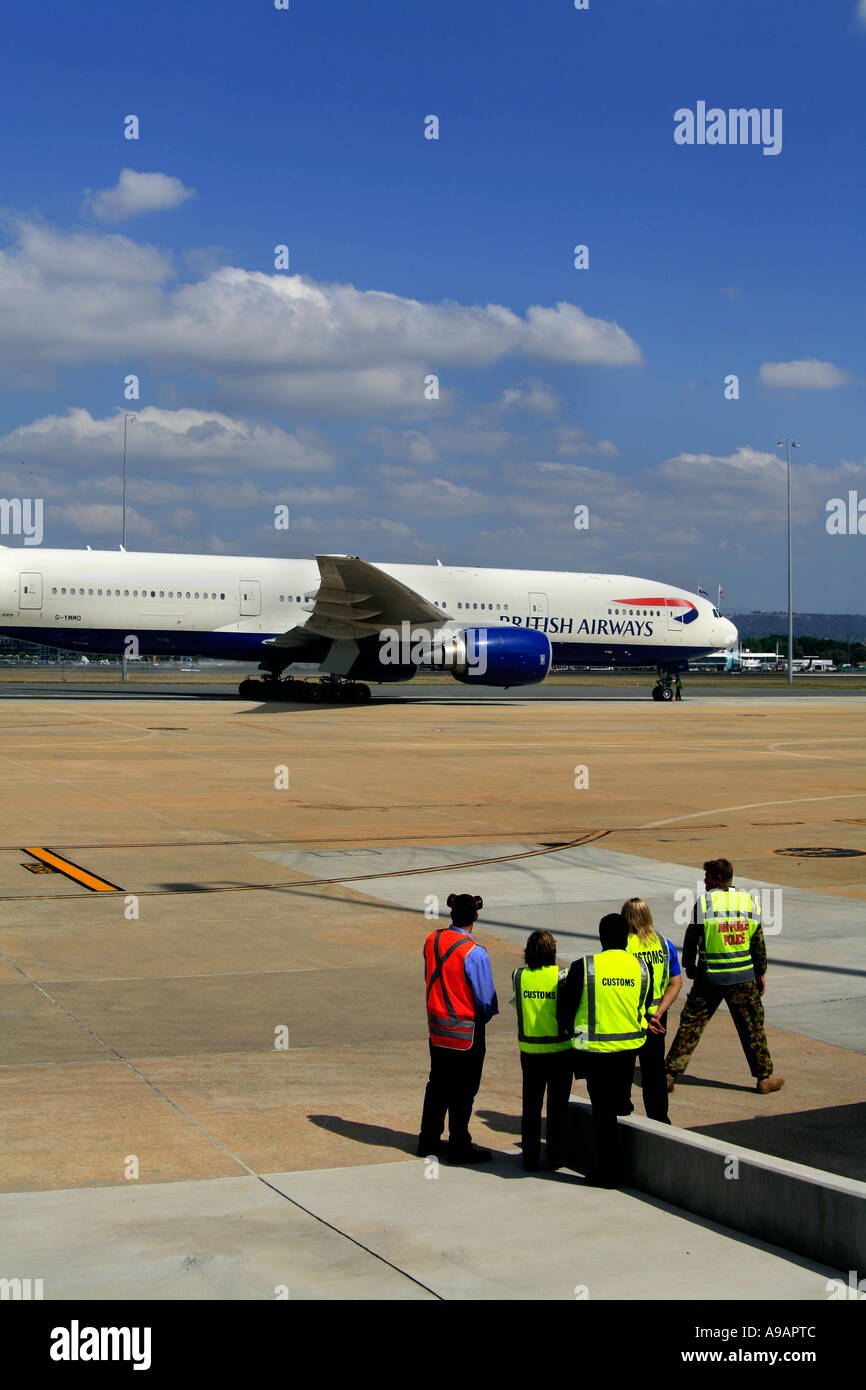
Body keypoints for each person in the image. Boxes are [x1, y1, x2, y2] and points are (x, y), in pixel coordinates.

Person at [665, 858, 785, 1095]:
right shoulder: (748, 902)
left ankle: (669, 1074)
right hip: (742, 977)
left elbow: (692, 937)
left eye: (707, 876)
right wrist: (760, 972)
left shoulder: (705, 903)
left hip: (710, 977)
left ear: (718, 878)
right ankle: (764, 1078)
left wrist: (689, 964)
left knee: (691, 1024)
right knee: (752, 1027)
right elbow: (757, 941)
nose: (704, 881)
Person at [557, 913, 651, 1187]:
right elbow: (642, 1004)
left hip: (595, 1051)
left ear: (601, 937)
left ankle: (609, 1172)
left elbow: (566, 1009)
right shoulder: (642, 967)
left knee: (603, 1113)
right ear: (627, 937)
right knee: (619, 1103)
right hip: (629, 1048)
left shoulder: (585, 967)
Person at [417, 891, 499, 1163]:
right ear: (475, 917)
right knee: (464, 1088)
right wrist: (485, 1015)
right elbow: (485, 999)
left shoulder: (432, 940)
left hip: (437, 1027)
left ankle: (428, 1140)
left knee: (437, 1083)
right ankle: (459, 1143)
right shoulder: (474, 953)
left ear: (451, 914)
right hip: (465, 1031)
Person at [512, 930, 573, 1170]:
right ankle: (555, 1156)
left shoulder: (519, 976)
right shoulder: (562, 975)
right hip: (560, 1051)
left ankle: (530, 1157)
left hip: (530, 1051)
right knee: (558, 1108)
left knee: (531, 1106)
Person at [621, 898, 682, 1123]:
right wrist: (659, 1011)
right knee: (654, 1071)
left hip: (631, 1017)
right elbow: (676, 983)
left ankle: (623, 1113)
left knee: (624, 1069)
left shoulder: (624, 946)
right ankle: (659, 1120)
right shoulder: (665, 945)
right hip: (658, 1016)